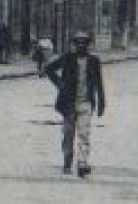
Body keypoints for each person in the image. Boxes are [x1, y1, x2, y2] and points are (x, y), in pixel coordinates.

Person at [44, 30, 106, 179]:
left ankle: (82, 163)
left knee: (84, 134)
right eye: (78, 43)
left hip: (86, 103)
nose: (81, 46)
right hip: (69, 103)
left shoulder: (94, 61)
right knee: (68, 134)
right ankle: (67, 160)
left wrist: (101, 102)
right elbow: (49, 69)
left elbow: (98, 83)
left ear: (88, 45)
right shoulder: (67, 59)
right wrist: (60, 84)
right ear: (74, 44)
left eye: (84, 43)